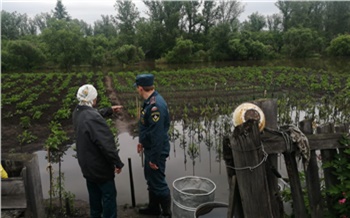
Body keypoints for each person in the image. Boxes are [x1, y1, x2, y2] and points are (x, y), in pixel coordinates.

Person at [72, 84, 124, 218]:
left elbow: (91, 116)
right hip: (100, 168)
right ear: (92, 99)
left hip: (87, 167)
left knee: (94, 201)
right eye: (95, 98)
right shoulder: (93, 118)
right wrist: (117, 163)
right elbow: (107, 145)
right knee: (109, 198)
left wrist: (109, 110)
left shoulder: (78, 112)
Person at [134, 74, 172, 218]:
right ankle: (153, 208)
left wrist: (154, 159)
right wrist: (141, 142)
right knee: (151, 179)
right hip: (150, 148)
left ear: (141, 88)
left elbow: (157, 135)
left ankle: (167, 214)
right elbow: (147, 127)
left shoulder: (156, 106)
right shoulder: (150, 101)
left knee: (158, 182)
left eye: (137, 88)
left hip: (157, 151)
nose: (137, 90)